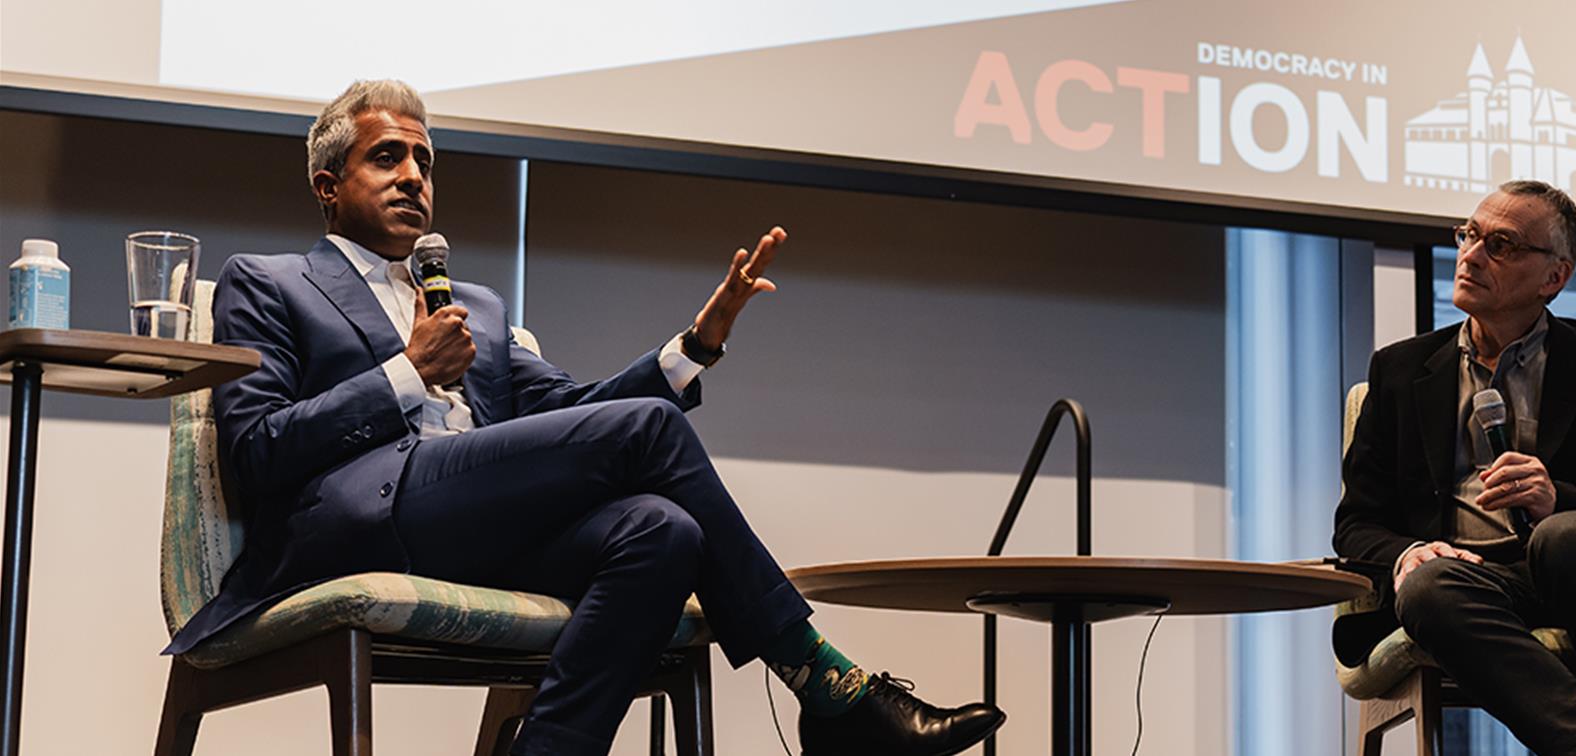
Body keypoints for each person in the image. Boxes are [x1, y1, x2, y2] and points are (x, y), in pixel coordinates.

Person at [161, 79, 1005, 756]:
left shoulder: (479, 307)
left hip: (480, 520)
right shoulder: (267, 282)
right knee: (647, 443)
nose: (415, 176)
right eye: (388, 158)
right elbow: (258, 449)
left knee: (663, 530)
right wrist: (404, 375)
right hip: (356, 522)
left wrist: (692, 349)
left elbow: (581, 419)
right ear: (327, 185)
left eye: (425, 160)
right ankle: (827, 684)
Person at [1333, 180, 1576, 754]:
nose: (1471, 254)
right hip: (1478, 583)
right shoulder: (1400, 370)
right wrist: (1406, 553)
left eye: (1502, 244)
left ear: (1554, 277)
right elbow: (1356, 524)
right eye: (1469, 235)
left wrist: (1559, 498)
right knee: (1428, 586)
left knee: (1565, 537)